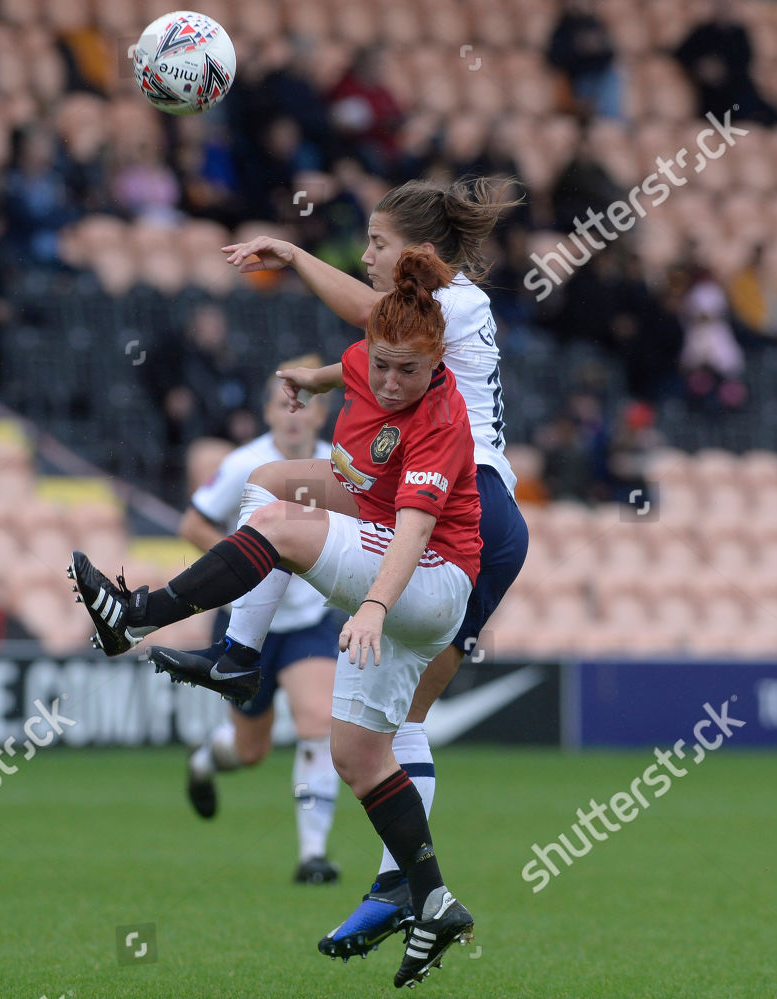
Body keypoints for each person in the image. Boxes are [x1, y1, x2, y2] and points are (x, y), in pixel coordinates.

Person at [70, 250, 480, 989]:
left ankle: (139, 618)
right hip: (396, 569)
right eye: (380, 366)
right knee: (356, 757)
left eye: (408, 371)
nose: (390, 382)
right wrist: (311, 377)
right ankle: (434, 900)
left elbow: (417, 530)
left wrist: (375, 607)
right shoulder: (365, 364)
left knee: (281, 520)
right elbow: (346, 366)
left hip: (431, 579)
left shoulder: (441, 418)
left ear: (437, 362)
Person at [214, 176, 530, 962]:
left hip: (468, 509)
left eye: (378, 243)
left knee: (390, 721)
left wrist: (293, 255)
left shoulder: (456, 302)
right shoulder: (438, 315)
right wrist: (321, 378)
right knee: (397, 720)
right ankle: (404, 888)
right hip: (474, 510)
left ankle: (403, 887)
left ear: (419, 251)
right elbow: (372, 350)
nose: (366, 255)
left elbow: (365, 313)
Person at [179, 360, 344, 885]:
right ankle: (204, 762)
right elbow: (193, 523)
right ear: (267, 413)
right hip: (248, 623)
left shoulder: (339, 467)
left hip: (309, 620)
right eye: (281, 404)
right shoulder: (244, 464)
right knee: (251, 749)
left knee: (318, 721)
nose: (292, 415)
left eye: (303, 405)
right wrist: (244, 560)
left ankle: (312, 855)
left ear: (320, 413)